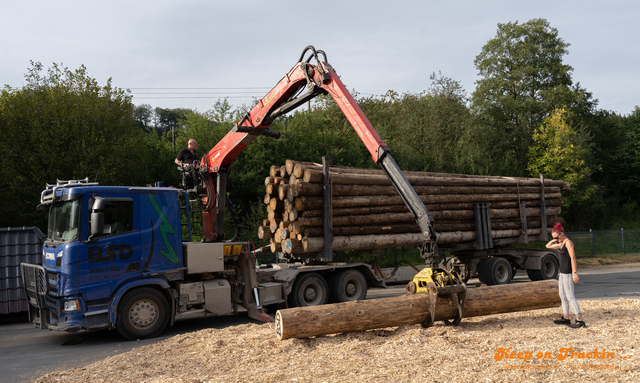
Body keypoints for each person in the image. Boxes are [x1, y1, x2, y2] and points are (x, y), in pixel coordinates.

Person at [546, 223, 585, 328]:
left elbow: (573, 258)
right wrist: (555, 239)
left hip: (568, 273)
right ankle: (566, 318)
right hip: (562, 273)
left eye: (556, 236)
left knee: (570, 296)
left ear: (562, 233)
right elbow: (548, 246)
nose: (555, 239)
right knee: (562, 295)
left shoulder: (568, 243)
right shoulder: (561, 243)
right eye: (553, 237)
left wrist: (574, 272)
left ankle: (579, 320)